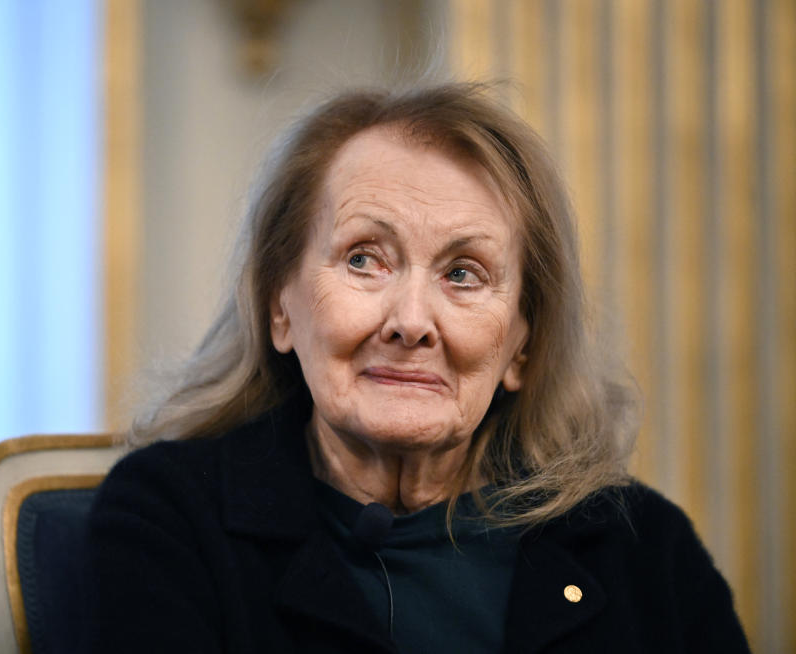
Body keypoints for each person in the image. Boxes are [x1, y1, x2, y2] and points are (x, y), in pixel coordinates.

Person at [83, 83, 750, 653]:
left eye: (464, 274)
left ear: (522, 343)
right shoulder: (169, 521)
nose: (411, 321)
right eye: (364, 259)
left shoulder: (643, 549)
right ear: (279, 307)